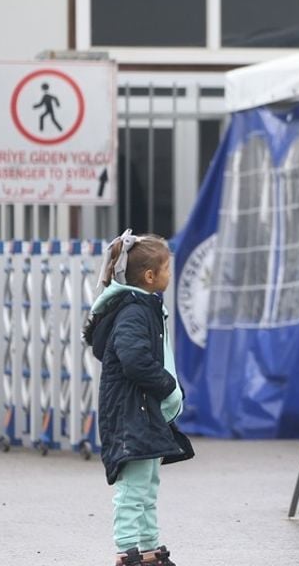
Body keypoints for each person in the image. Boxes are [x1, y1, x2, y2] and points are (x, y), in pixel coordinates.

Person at [84, 230, 193, 566]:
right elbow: (134, 360)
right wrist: (166, 385)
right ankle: (127, 550)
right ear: (149, 276)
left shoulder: (144, 306)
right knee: (132, 490)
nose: (169, 275)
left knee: (147, 485)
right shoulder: (133, 312)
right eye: (166, 269)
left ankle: (148, 548)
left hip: (143, 414)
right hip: (131, 414)